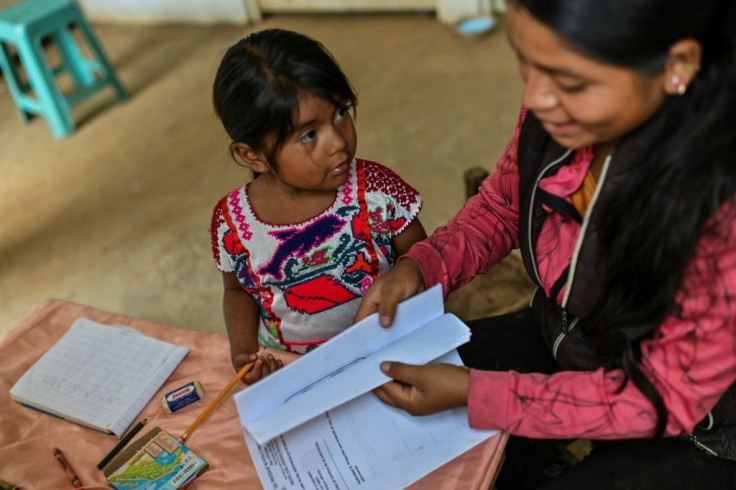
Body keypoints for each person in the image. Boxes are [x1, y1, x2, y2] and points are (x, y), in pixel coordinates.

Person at [355, 0, 736, 487]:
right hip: (570, 337)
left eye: (569, 82)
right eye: (524, 62)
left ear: (675, 67)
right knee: (383, 403)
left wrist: (481, 395)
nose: (535, 97)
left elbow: (662, 398)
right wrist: (423, 267)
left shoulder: (717, 201)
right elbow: (505, 203)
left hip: (693, 425)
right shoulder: (558, 111)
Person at [210, 29, 426, 384]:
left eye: (341, 112)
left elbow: (424, 262)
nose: (338, 142)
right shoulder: (232, 224)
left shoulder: (377, 191)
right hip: (297, 372)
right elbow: (236, 290)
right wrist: (243, 352)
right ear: (253, 155)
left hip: (389, 352)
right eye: (309, 135)